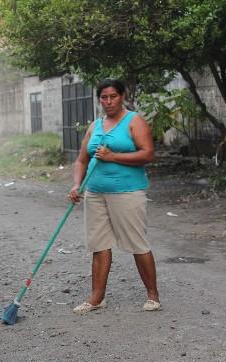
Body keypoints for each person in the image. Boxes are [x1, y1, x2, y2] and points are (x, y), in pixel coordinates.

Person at [68, 78, 160, 314]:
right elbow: (81, 160)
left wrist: (113, 157)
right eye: (104, 97)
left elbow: (148, 154)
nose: (108, 102)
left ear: (122, 96)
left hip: (127, 192)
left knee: (137, 244)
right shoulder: (95, 125)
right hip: (95, 192)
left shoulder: (134, 121)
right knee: (99, 245)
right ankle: (97, 298)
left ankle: (153, 296)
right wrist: (76, 185)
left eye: (113, 96)